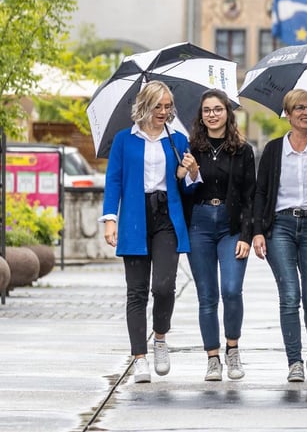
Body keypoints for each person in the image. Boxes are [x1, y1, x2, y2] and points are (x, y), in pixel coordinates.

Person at [102, 80, 194, 384]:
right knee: (137, 291)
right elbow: (114, 181)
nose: (163, 112)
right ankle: (139, 357)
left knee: (164, 287)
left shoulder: (177, 140)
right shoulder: (124, 140)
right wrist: (110, 218)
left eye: (168, 106)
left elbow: (187, 187)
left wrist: (188, 172)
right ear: (144, 106)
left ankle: (160, 338)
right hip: (134, 216)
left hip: (166, 215)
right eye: (158, 106)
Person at [252, 89, 307, 383]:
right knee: (290, 295)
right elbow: (261, 192)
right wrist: (257, 231)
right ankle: (294, 361)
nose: (306, 112)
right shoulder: (273, 150)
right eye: (300, 108)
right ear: (288, 114)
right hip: (280, 226)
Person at [183, 89, 256, 382]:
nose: (212, 114)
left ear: (227, 113)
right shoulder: (191, 149)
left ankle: (232, 349)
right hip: (199, 224)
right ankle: (212, 358)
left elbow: (251, 196)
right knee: (207, 295)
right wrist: (190, 174)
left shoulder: (243, 150)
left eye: (217, 109)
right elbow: (183, 193)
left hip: (231, 225)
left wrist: (247, 235)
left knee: (231, 289)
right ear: (201, 116)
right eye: (207, 110)